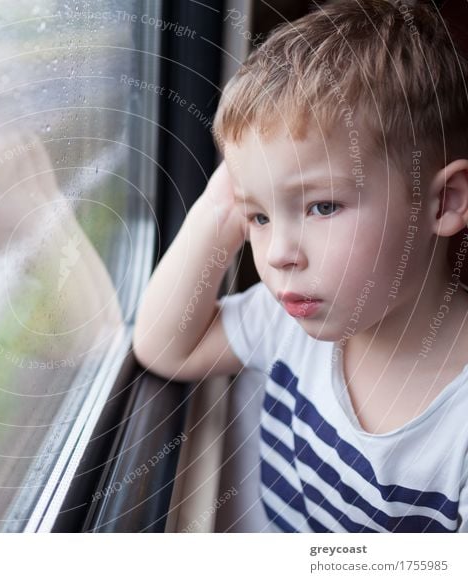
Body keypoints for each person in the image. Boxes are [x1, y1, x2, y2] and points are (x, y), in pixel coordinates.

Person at [133, 0, 468, 532]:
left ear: (444, 202)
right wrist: (222, 208)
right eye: (260, 217)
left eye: (322, 206)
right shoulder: (284, 321)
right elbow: (164, 345)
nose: (276, 254)